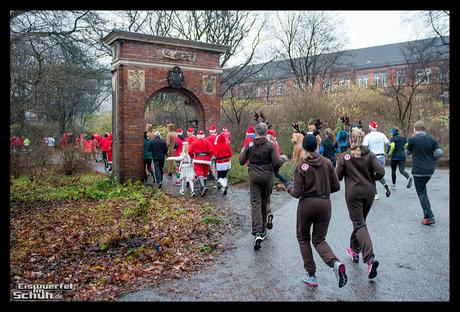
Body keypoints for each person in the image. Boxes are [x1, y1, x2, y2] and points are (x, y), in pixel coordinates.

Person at [285, 134, 347, 288]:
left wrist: (288, 187)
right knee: (319, 239)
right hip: (325, 204)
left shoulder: (301, 166)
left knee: (303, 238)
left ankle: (311, 274)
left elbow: (297, 193)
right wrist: (323, 190)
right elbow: (337, 186)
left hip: (306, 205)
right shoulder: (327, 163)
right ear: (317, 146)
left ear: (303, 147)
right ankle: (335, 263)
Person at [335, 127, 384, 280]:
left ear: (350, 140)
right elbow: (381, 172)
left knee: (359, 224)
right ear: (362, 139)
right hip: (369, 192)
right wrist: (370, 179)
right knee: (360, 223)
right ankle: (354, 250)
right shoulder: (370, 155)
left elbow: (338, 177)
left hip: (354, 194)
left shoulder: (345, 156)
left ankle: (369, 258)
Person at [239, 122, 283, 250]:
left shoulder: (250, 145)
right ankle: (264, 228)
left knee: (255, 203)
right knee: (265, 201)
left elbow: (241, 161)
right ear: (266, 132)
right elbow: (276, 162)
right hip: (268, 176)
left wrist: (245, 151)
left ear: (256, 132)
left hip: (254, 177)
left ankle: (257, 232)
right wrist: (283, 159)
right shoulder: (270, 145)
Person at [406, 120, 443, 225]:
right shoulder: (431, 139)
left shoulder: (413, 139)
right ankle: (427, 214)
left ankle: (430, 216)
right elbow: (440, 152)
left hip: (418, 171)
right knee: (423, 191)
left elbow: (407, 153)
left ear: (415, 129)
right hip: (430, 170)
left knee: (421, 192)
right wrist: (433, 159)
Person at [362, 120, 391, 200]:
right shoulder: (382, 135)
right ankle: (385, 184)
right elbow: (389, 144)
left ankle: (375, 194)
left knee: (371, 176)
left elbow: (364, 148)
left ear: (370, 127)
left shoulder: (368, 136)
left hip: (373, 157)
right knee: (379, 173)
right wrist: (387, 153)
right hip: (382, 157)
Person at [189, 130, 214, 197]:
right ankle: (203, 187)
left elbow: (190, 151)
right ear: (204, 135)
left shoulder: (194, 142)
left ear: (197, 135)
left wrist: (192, 156)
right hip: (206, 159)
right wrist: (209, 157)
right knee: (205, 173)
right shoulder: (207, 142)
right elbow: (211, 150)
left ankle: (203, 187)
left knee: (199, 173)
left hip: (197, 159)